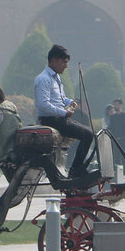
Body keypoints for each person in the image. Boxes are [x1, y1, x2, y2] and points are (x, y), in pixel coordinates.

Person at [34, 44, 95, 179]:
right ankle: (76, 170)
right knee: (88, 135)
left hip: (60, 118)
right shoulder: (43, 79)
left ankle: (77, 169)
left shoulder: (56, 78)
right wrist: (63, 112)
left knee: (90, 133)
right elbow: (43, 105)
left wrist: (70, 102)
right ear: (53, 61)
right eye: (64, 62)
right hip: (52, 120)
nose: (66, 66)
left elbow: (60, 98)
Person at [105, 98, 125, 172]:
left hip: (124, 138)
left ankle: (124, 172)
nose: (115, 106)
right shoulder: (113, 117)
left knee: (124, 156)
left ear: (121, 105)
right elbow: (110, 127)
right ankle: (118, 172)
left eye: (117, 104)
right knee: (116, 156)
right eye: (114, 105)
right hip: (115, 139)